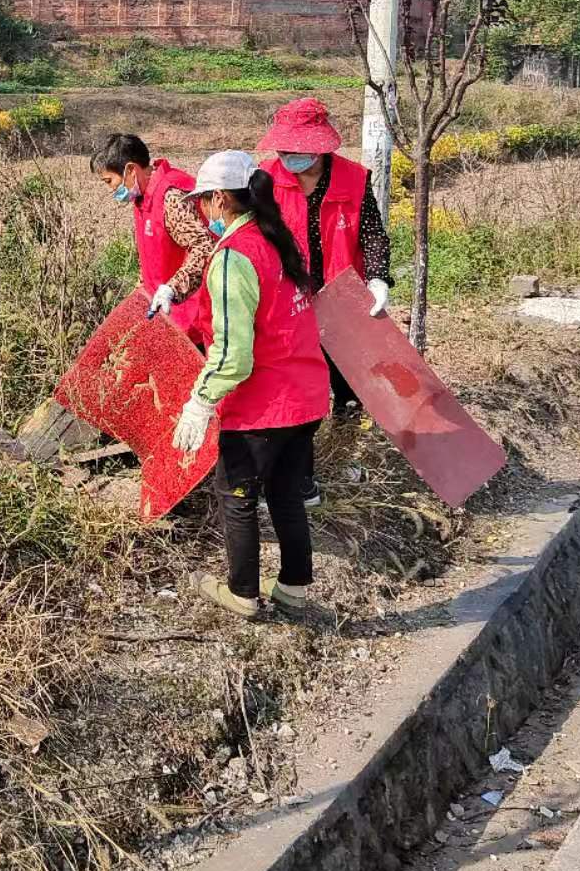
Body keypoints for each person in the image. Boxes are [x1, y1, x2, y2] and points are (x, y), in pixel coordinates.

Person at [171, 150, 330, 620]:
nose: (202, 211)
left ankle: (242, 592)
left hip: (265, 403)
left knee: (235, 492)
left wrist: (200, 402)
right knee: (285, 493)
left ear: (220, 198)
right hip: (305, 394)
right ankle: (294, 588)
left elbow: (233, 354)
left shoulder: (232, 259)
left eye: (204, 201)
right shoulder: (276, 240)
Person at [258, 96, 393, 413]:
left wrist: (377, 278)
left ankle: (348, 426)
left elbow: (372, 232)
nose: (287, 156)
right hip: (288, 295)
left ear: (319, 147)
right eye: (283, 149)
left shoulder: (355, 179)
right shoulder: (264, 179)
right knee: (295, 370)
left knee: (347, 373)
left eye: (295, 149)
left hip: (340, 291)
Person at [90, 133, 216, 351]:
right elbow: (155, 256)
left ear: (130, 170)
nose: (111, 190)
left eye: (110, 181)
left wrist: (173, 288)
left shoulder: (171, 198)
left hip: (192, 318)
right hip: (168, 314)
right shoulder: (142, 197)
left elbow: (204, 246)